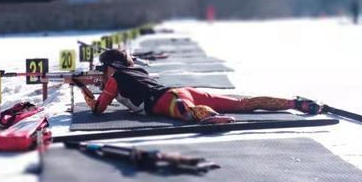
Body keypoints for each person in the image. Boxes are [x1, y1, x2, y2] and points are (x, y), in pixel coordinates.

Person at [69, 49, 322, 124]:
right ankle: (295, 103)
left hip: (165, 101)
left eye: (104, 68)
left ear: (110, 67)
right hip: (181, 90)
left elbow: (98, 109)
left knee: (188, 113)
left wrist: (82, 87)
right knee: (245, 103)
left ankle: (212, 117)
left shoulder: (115, 79)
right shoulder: (138, 71)